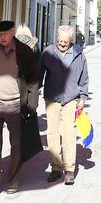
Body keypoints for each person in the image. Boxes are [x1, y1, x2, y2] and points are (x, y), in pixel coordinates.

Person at [0, 19, 40, 201]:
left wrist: (31, 105)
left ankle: (13, 181)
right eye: (0, 34)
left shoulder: (25, 52)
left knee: (17, 144)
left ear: (12, 33)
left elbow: (34, 80)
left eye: (5, 34)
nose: (2, 37)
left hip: (16, 104)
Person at [40, 25, 89, 185]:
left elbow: (84, 78)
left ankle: (69, 169)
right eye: (60, 41)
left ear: (71, 41)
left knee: (68, 131)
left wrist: (83, 97)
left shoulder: (78, 54)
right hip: (52, 97)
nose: (62, 45)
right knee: (52, 133)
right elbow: (38, 75)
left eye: (65, 42)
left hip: (70, 98)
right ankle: (56, 168)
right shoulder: (48, 52)